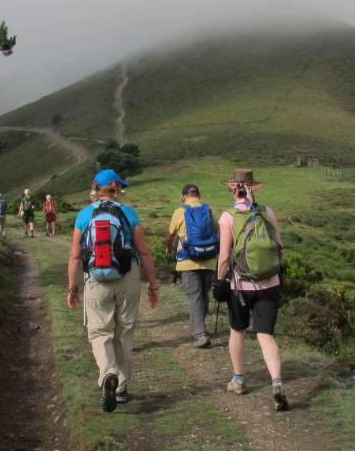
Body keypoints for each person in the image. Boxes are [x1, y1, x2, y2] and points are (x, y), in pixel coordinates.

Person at [67, 169, 160, 413]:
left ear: (96, 190)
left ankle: (108, 374)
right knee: (124, 331)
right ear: (115, 188)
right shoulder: (129, 213)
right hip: (128, 275)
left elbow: (75, 256)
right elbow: (144, 252)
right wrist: (153, 284)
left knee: (99, 332)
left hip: (95, 278)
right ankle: (120, 389)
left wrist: (72, 288)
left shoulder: (84, 215)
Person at [215, 169, 289, 411]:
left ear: (232, 188)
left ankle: (238, 380)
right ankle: (276, 382)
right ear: (253, 188)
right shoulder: (268, 212)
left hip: (240, 286)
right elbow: (279, 246)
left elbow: (225, 256)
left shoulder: (227, 217)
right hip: (271, 283)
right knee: (265, 334)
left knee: (238, 330)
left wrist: (219, 281)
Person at [164, 184, 219, 348]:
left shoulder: (179, 211)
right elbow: (218, 231)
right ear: (199, 195)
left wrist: (168, 246)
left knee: (195, 296)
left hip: (188, 261)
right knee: (203, 295)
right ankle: (201, 328)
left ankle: (200, 334)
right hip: (209, 259)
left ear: (184, 197)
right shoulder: (209, 210)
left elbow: (171, 234)